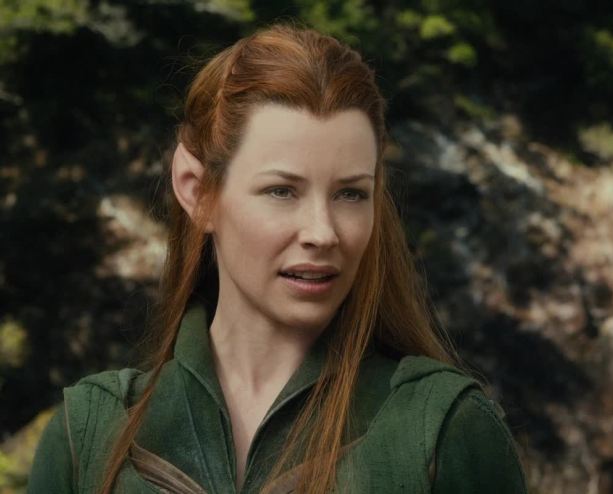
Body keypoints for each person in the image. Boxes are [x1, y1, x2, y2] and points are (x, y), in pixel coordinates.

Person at [28, 23, 528, 494]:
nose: (322, 232)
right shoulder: (88, 436)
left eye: (351, 194)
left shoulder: (445, 429)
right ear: (197, 191)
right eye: (281, 191)